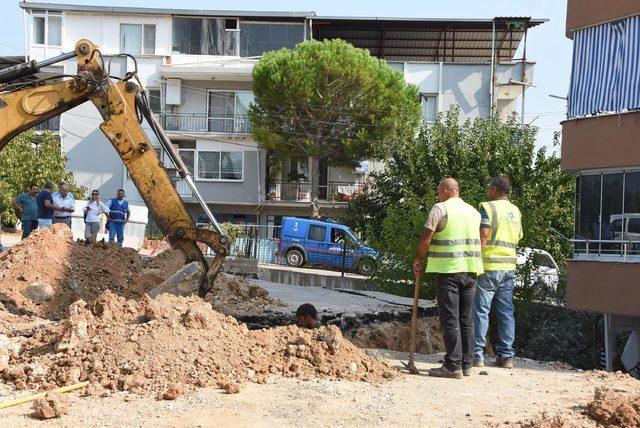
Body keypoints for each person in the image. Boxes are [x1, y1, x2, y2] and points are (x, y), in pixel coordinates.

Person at [413, 178, 483, 379]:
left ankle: (453, 365)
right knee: (466, 319)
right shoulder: (473, 212)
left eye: (438, 192)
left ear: (445, 191)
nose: (437, 196)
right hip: (471, 272)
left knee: (450, 318)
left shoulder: (440, 209)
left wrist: (418, 259)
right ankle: (466, 363)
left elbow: (426, 238)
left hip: (449, 271)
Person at [473, 176, 523, 369]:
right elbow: (518, 236)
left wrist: (476, 259)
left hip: (489, 266)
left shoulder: (487, 207)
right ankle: (506, 356)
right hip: (508, 268)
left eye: (489, 188)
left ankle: (477, 356)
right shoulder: (515, 210)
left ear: (494, 189)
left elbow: (483, 234)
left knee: (481, 310)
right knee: (506, 312)